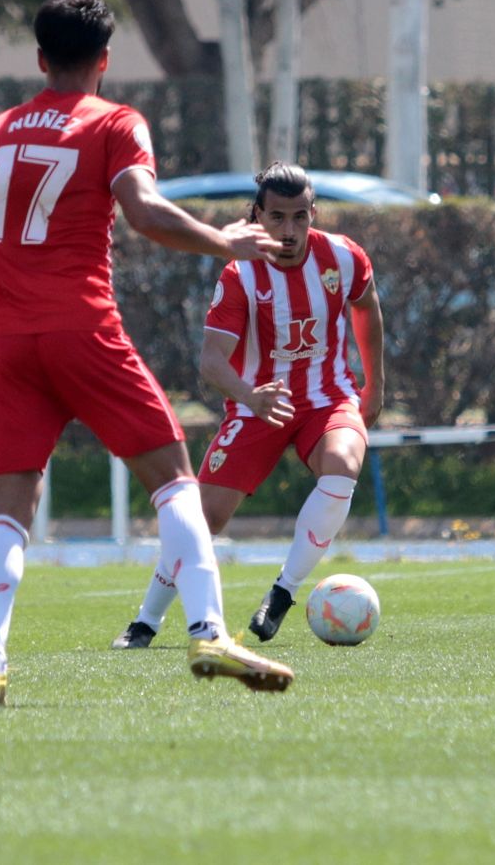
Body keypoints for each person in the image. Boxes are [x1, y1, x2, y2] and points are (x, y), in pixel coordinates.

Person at [0, 0, 294, 706]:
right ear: (104, 61)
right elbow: (143, 212)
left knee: (8, 509)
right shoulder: (114, 123)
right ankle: (207, 631)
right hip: (83, 329)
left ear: (41, 57)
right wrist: (222, 242)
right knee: (174, 482)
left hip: (7, 343)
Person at [111, 162, 384, 649]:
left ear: (313, 214)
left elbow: (367, 307)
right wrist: (249, 397)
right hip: (256, 407)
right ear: (257, 216)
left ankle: (283, 593)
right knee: (205, 518)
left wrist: (375, 385)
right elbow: (211, 361)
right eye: (276, 217)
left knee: (342, 463)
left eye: (300, 217)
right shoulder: (240, 274)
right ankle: (145, 621)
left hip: (328, 398)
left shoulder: (343, 257)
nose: (289, 230)